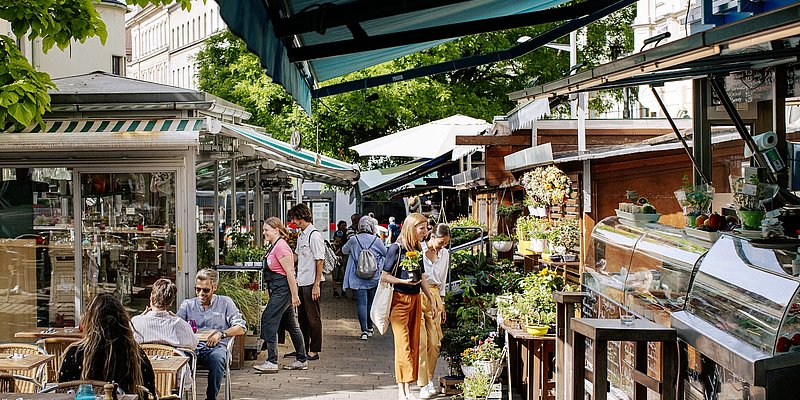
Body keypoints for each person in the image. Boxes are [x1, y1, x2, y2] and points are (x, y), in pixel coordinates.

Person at [381, 213, 436, 400]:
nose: (426, 232)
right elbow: (384, 276)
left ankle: (405, 389)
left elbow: (421, 277)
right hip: (399, 300)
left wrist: (431, 299)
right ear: (412, 228)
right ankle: (401, 391)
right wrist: (402, 280)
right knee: (403, 345)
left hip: (416, 300)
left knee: (413, 345)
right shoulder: (396, 248)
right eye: (422, 229)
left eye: (426, 228)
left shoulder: (417, 248)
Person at [59, 294, 157, 399]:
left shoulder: (75, 354)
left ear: (90, 321)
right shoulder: (135, 355)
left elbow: (62, 391)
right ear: (122, 321)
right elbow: (149, 392)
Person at [178, 269, 246, 400]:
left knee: (218, 358)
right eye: (197, 289)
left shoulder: (225, 303)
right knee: (178, 358)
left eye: (205, 290)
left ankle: (210, 398)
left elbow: (241, 327)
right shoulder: (188, 304)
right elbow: (177, 324)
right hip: (192, 348)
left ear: (215, 288)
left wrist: (221, 334)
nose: (200, 294)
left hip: (216, 347)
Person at [254, 217, 308, 373]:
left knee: (268, 318)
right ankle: (301, 359)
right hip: (278, 290)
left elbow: (290, 273)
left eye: (266, 230)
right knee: (291, 324)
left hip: (282, 290)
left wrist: (294, 295)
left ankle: (272, 361)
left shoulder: (281, 247)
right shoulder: (274, 246)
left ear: (276, 230)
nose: (264, 232)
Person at [418, 223, 450, 399]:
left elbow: (443, 280)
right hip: (419, 294)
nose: (443, 246)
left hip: (435, 295)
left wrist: (442, 302)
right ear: (432, 237)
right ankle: (423, 383)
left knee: (435, 342)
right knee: (422, 341)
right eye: (441, 242)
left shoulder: (444, 254)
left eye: (445, 243)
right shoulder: (418, 251)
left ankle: (428, 378)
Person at [288, 203, 324, 361]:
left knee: (313, 318)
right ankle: (303, 348)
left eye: (294, 218)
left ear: (300, 217)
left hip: (311, 282)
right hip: (301, 281)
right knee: (302, 318)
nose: (293, 222)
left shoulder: (314, 235)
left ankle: (314, 350)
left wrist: (316, 284)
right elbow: (297, 256)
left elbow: (320, 260)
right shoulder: (302, 234)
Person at [341, 216, 387, 340]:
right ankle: (371, 327)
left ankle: (363, 331)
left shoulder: (354, 239)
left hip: (358, 276)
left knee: (361, 303)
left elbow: (344, 251)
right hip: (373, 276)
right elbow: (386, 253)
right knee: (371, 303)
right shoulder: (376, 240)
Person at [331, 220, 348, 298]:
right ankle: (340, 290)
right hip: (340, 255)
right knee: (340, 272)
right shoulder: (341, 233)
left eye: (345, 225)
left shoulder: (343, 233)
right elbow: (338, 243)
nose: (344, 227)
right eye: (343, 225)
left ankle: (338, 290)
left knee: (339, 273)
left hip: (338, 255)